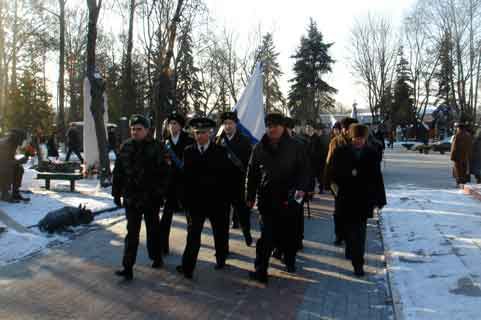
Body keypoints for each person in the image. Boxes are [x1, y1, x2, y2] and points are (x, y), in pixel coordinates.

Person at [246, 113, 310, 284]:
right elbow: (252, 174)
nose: (272, 129)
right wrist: (250, 196)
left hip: (289, 199)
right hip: (267, 199)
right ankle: (261, 270)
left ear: (283, 127)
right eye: (268, 126)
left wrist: (300, 194)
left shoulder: (296, 146)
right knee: (266, 237)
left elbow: (304, 172)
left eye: (275, 126)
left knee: (289, 234)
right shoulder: (259, 147)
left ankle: (290, 260)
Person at [112, 115, 170, 281]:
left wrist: (160, 193)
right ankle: (127, 266)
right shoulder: (126, 147)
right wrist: (116, 193)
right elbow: (118, 172)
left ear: (147, 130)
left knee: (153, 230)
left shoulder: (157, 147)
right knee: (132, 233)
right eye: (133, 129)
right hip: (132, 198)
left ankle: (156, 256)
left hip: (151, 198)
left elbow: (165, 174)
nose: (135, 132)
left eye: (139, 129)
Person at [176, 117, 231, 279]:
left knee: (219, 233)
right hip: (195, 203)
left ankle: (221, 258)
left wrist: (224, 199)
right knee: (193, 236)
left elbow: (225, 178)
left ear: (210, 133)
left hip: (216, 202)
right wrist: (183, 200)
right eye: (197, 132)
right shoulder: (189, 151)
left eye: (203, 132)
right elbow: (184, 177)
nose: (199, 136)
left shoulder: (220, 151)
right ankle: (187, 267)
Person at [330, 124, 386, 276]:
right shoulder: (341, 152)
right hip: (346, 198)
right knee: (348, 231)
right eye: (356, 138)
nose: (358, 141)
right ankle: (350, 249)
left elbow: (377, 177)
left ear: (365, 138)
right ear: (351, 137)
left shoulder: (371, 153)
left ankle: (358, 263)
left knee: (360, 233)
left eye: (361, 138)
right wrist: (336, 190)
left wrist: (380, 199)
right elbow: (332, 173)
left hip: (363, 199)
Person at [216, 110, 253, 247]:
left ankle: (247, 234)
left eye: (230, 123)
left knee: (243, 215)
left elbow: (249, 163)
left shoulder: (244, 140)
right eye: (225, 124)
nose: (228, 126)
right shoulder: (218, 140)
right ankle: (222, 249)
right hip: (223, 186)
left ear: (236, 124)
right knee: (222, 220)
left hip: (239, 184)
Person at [159, 110, 194, 255]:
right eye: (170, 124)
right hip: (169, 187)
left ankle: (191, 248)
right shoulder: (164, 142)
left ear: (180, 126)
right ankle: (162, 247)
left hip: (185, 186)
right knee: (166, 218)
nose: (171, 126)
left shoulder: (189, 141)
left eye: (174, 124)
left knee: (190, 220)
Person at [324, 117, 358, 246]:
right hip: (338, 183)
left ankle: (351, 234)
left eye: (350, 128)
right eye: (345, 128)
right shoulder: (335, 142)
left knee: (353, 211)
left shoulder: (359, 141)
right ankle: (339, 235)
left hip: (355, 183)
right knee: (339, 211)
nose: (347, 131)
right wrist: (327, 181)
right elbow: (329, 161)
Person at [0, 129, 30, 203]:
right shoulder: (5, 144)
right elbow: (4, 163)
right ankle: (5, 193)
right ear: (17, 137)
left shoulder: (13, 144)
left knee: (19, 168)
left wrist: (19, 161)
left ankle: (15, 193)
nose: (23, 141)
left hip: (4, 165)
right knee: (7, 169)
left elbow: (10, 159)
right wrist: (19, 161)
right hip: (2, 167)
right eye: (22, 139)